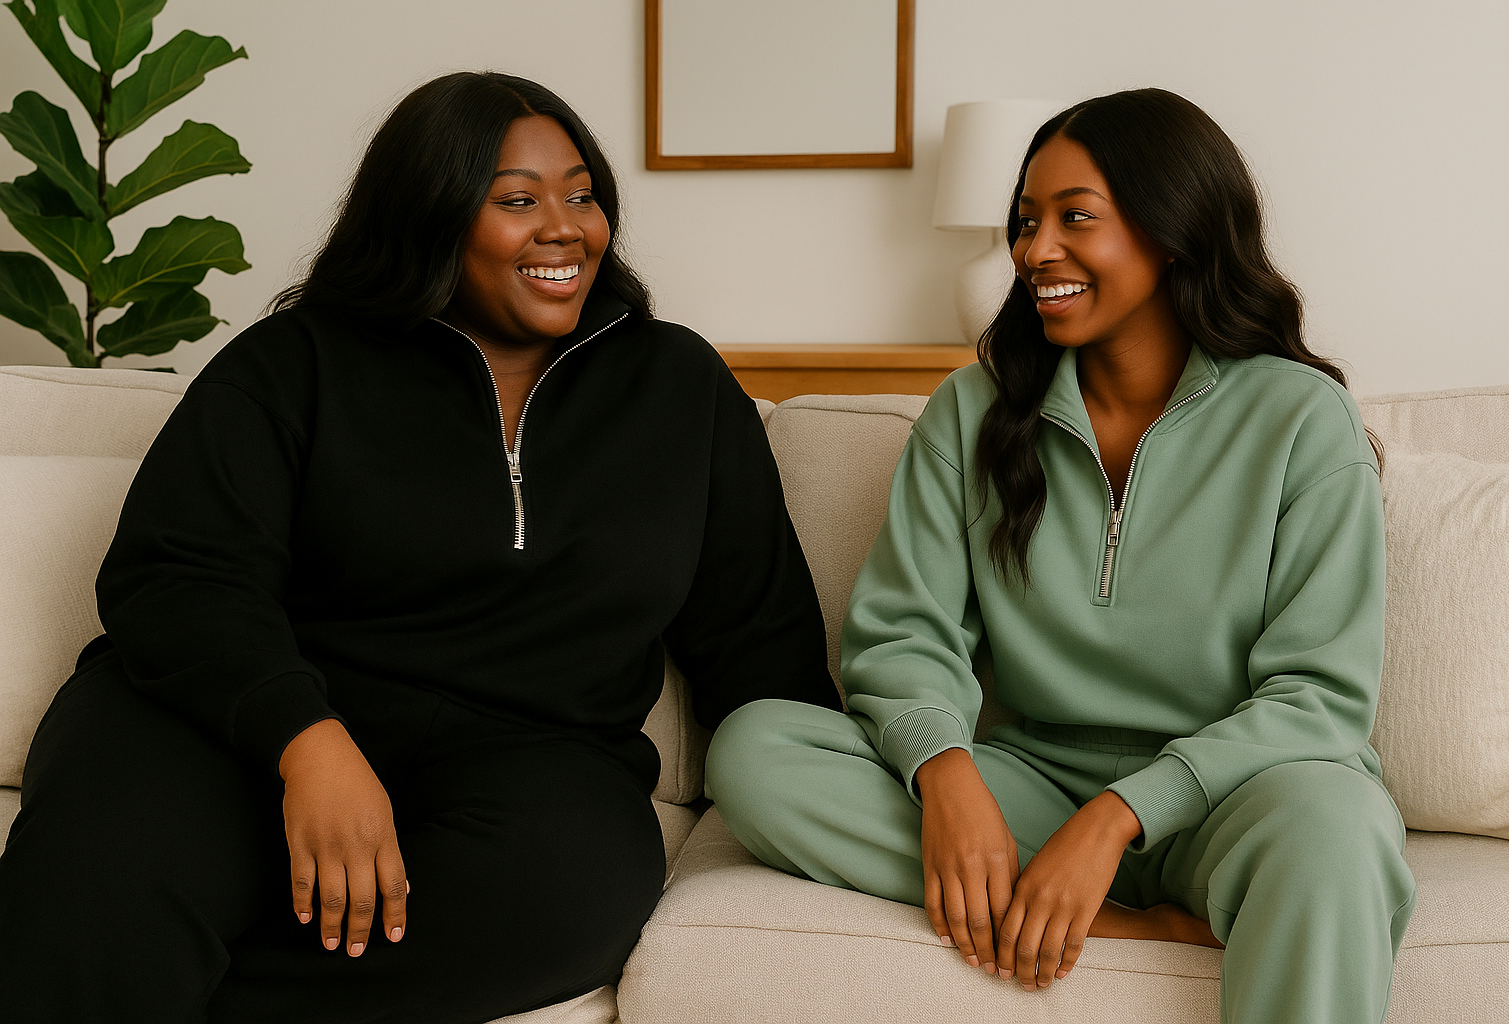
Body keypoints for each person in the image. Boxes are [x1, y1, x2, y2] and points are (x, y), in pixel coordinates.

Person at [0, 72, 839, 1023]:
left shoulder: (680, 386)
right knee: (104, 869)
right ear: (428, 216)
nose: (566, 227)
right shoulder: (295, 362)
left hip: (523, 757)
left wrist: (846, 792)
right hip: (229, 726)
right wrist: (307, 744)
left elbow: (758, 636)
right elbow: (177, 574)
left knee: (568, 895)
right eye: (519, 201)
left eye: (582, 193)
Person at [706, 88, 1416, 1024]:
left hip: (1233, 798)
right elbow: (902, 634)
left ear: (1172, 231)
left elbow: (1318, 699)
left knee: (1341, 830)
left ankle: (1082, 889)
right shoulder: (972, 410)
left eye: (1075, 218)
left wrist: (1117, 817)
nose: (1034, 251)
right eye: (1027, 221)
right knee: (758, 749)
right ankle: (1126, 921)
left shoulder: (1299, 420)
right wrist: (946, 774)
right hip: (1029, 783)